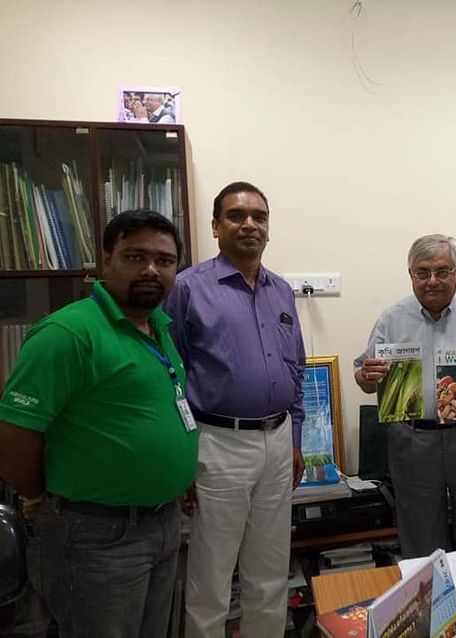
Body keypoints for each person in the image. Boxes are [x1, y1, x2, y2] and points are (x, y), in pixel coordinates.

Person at [0, 210, 196, 637]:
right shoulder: (68, 333)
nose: (151, 269)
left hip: (162, 524)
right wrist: (43, 496)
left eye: (164, 261)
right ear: (106, 260)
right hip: (96, 535)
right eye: (135, 256)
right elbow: (14, 435)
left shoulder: (159, 328)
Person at [163, 181, 305, 638]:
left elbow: (296, 367)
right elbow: (170, 377)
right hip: (218, 443)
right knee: (212, 576)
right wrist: (183, 456)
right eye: (236, 216)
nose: (249, 225)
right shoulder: (187, 288)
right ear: (216, 225)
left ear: (268, 229)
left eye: (258, 217)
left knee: (270, 571)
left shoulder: (281, 291)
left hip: (278, 441)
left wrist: (296, 439)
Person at [354, 234, 456, 558]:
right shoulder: (391, 318)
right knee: (421, 545)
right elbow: (363, 376)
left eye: (442, 271)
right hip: (413, 442)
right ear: (411, 275)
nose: (432, 281)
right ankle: (432, 608)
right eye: (423, 273)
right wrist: (367, 375)